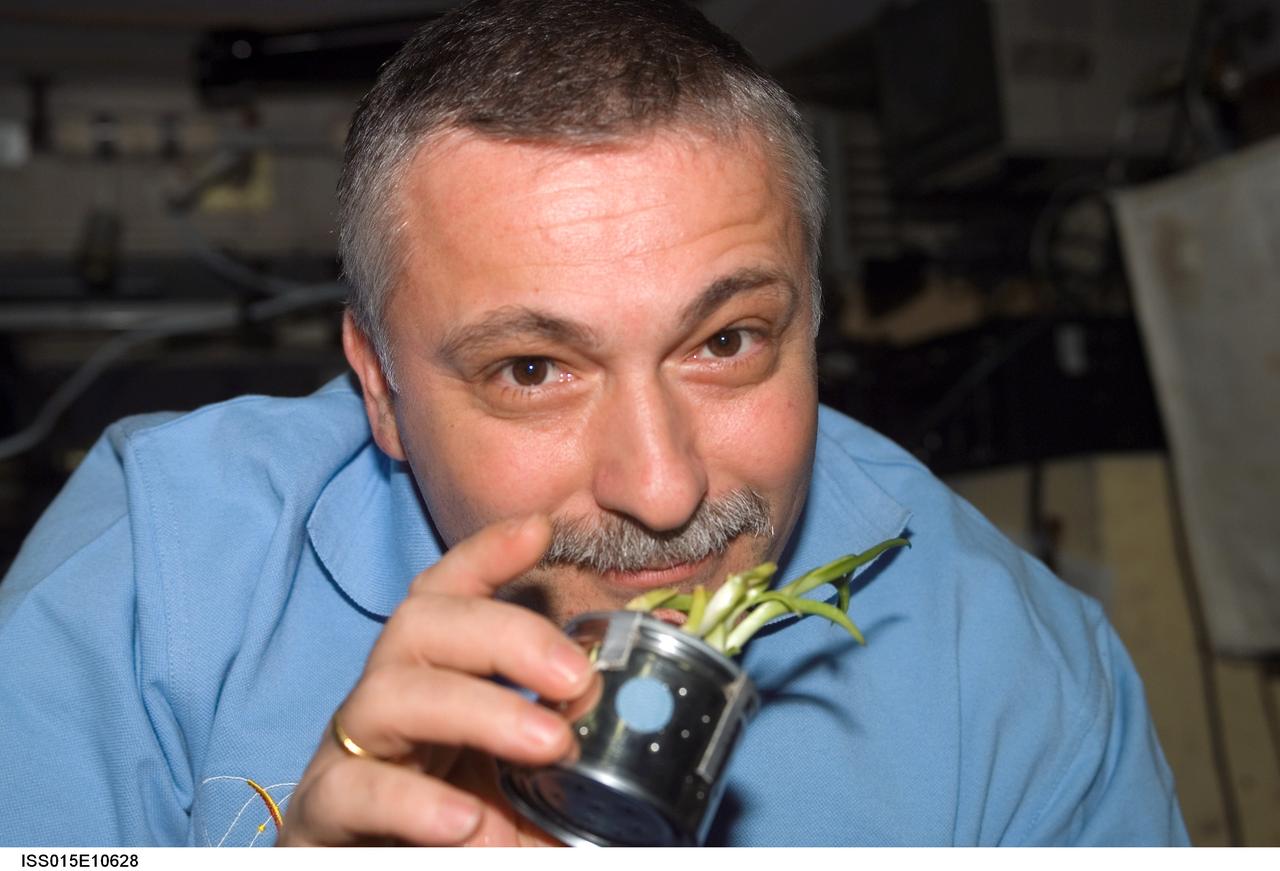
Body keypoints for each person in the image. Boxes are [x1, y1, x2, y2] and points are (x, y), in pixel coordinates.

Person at [0, 0, 1187, 847]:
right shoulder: (144, 587)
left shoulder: (1021, 673)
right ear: (380, 390)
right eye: (532, 369)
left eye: (726, 342)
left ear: (814, 321)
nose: (662, 490)